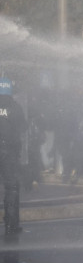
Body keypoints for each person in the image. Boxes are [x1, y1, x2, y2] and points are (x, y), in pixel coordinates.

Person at [0, 77, 26, 237]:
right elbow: (23, 126)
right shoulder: (15, 107)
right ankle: (11, 224)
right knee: (11, 188)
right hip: (9, 152)